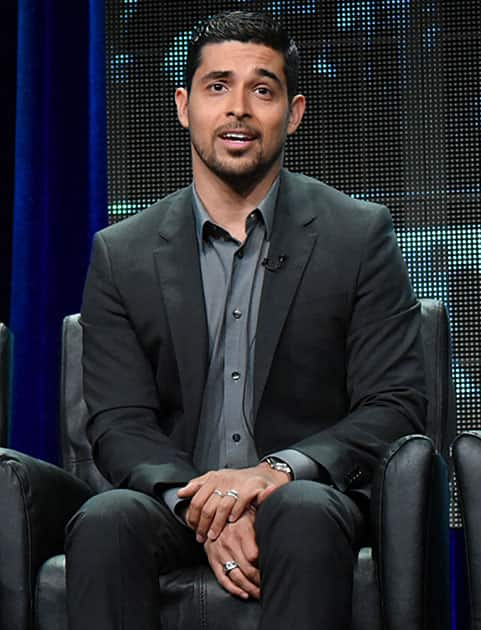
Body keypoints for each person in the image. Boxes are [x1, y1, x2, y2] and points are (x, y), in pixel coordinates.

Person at [65, 10, 426, 630]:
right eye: (217, 87)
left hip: (305, 496)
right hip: (175, 501)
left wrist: (273, 472)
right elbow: (119, 423)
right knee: (106, 520)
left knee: (306, 510)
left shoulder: (359, 235)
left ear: (294, 113)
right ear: (183, 107)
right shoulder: (122, 252)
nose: (238, 108)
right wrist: (204, 506)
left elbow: (392, 404)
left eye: (262, 90)